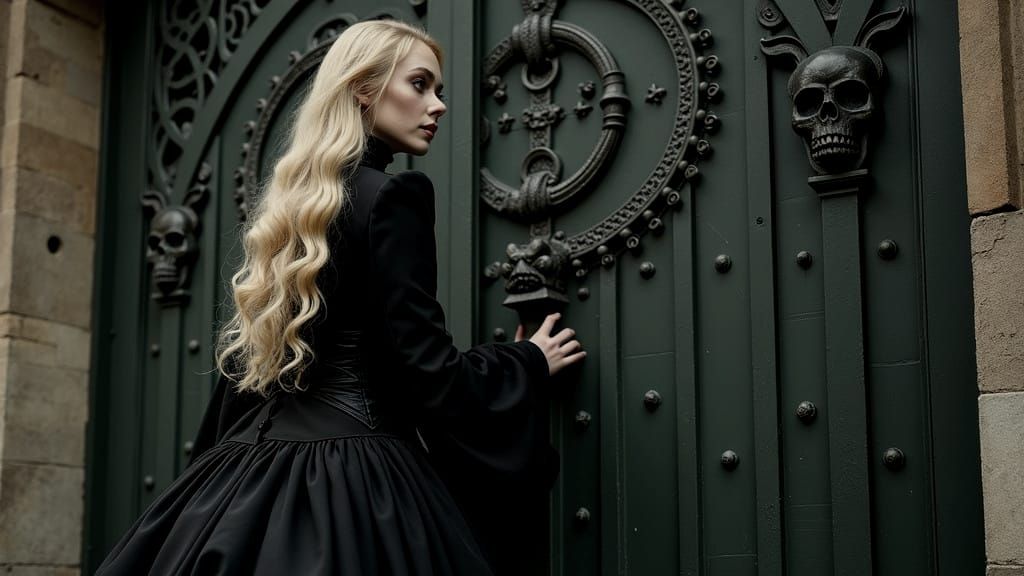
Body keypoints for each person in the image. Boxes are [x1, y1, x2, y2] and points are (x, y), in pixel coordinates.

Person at [95, 19, 585, 576]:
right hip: (356, 482)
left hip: (241, 479)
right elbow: (426, 369)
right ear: (363, 88)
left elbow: (247, 379)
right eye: (420, 84)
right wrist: (526, 362)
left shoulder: (295, 209)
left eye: (439, 90)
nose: (439, 105)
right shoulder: (396, 195)